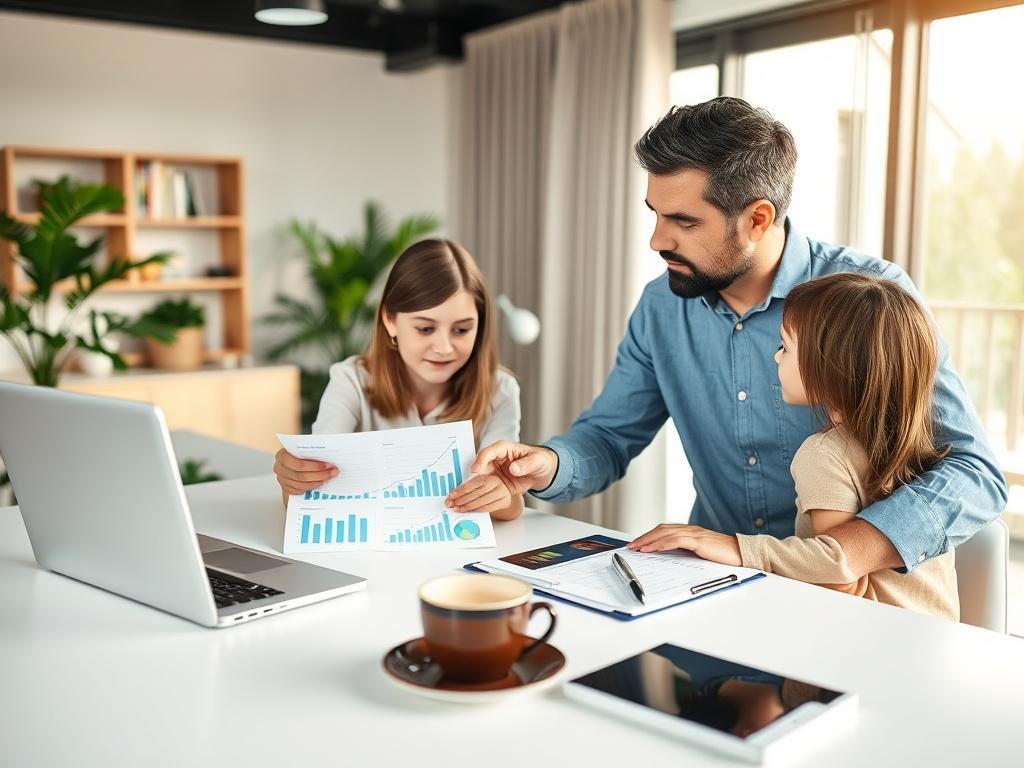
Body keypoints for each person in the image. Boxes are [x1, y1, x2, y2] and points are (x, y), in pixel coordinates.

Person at [463, 97, 1006, 582]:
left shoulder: (872, 298)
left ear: (757, 219)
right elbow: (608, 437)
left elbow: (974, 472)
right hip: (710, 583)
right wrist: (546, 463)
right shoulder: (661, 306)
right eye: (655, 215)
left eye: (683, 222)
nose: (656, 240)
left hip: (843, 603)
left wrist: (830, 556)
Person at [631, 273, 959, 619]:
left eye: (785, 347)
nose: (776, 357)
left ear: (828, 369)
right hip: (932, 639)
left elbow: (839, 582)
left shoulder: (823, 455)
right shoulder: (921, 440)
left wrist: (738, 549)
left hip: (866, 643)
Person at [273, 238, 524, 521]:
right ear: (390, 320)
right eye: (425, 329)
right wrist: (294, 480)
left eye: (461, 330)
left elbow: (512, 503)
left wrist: (502, 493)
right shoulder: (351, 380)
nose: (444, 347)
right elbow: (306, 495)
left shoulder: (500, 390)